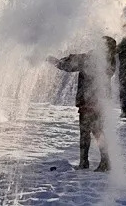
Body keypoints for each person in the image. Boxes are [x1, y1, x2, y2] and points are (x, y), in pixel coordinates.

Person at [47, 36, 117, 172]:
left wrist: (55, 61)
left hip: (89, 101)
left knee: (89, 132)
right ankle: (95, 161)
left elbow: (70, 65)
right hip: (99, 101)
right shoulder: (110, 60)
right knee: (96, 131)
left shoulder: (93, 58)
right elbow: (78, 60)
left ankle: (94, 162)